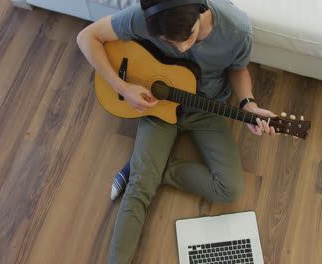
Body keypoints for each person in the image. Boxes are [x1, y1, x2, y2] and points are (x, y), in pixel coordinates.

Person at [76, 0, 276, 263]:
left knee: (230, 189)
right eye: (169, 41)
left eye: (189, 36)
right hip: (157, 106)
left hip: (207, 107)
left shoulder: (236, 29)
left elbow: (238, 70)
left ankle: (145, 166)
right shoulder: (148, 15)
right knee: (138, 190)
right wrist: (123, 88)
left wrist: (248, 103)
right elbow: (86, 37)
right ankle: (142, 173)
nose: (182, 47)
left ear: (201, 10)